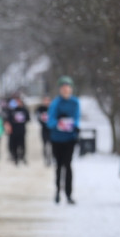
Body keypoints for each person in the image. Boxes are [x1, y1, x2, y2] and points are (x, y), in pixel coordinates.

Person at [47, 76, 81, 204]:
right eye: (63, 88)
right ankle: (57, 191)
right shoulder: (55, 103)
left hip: (69, 139)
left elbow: (77, 118)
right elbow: (50, 121)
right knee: (59, 166)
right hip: (57, 139)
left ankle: (68, 194)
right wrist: (60, 123)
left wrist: (74, 126)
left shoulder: (75, 102)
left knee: (68, 165)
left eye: (68, 88)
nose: (66, 90)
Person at [6, 95, 30, 166]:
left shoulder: (24, 110)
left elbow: (28, 119)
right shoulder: (12, 110)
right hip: (14, 131)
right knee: (14, 145)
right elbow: (8, 120)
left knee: (22, 145)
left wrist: (22, 119)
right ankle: (16, 158)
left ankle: (22, 157)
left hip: (22, 130)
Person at [35, 95, 53, 166]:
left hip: (51, 129)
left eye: (48, 100)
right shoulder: (40, 109)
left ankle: (51, 158)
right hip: (44, 129)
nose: (47, 102)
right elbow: (38, 117)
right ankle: (46, 158)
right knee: (45, 144)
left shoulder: (52, 108)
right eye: (45, 100)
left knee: (52, 145)